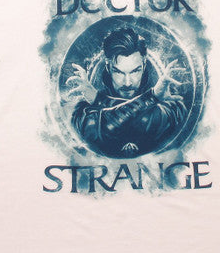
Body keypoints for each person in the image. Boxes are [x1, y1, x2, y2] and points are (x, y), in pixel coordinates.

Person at [70, 27, 188, 157]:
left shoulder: (171, 103)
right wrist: (152, 97)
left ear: (144, 64)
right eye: (119, 72)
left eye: (135, 71)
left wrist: (99, 100)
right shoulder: (84, 108)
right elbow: (97, 132)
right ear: (108, 66)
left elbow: (151, 122)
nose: (127, 83)